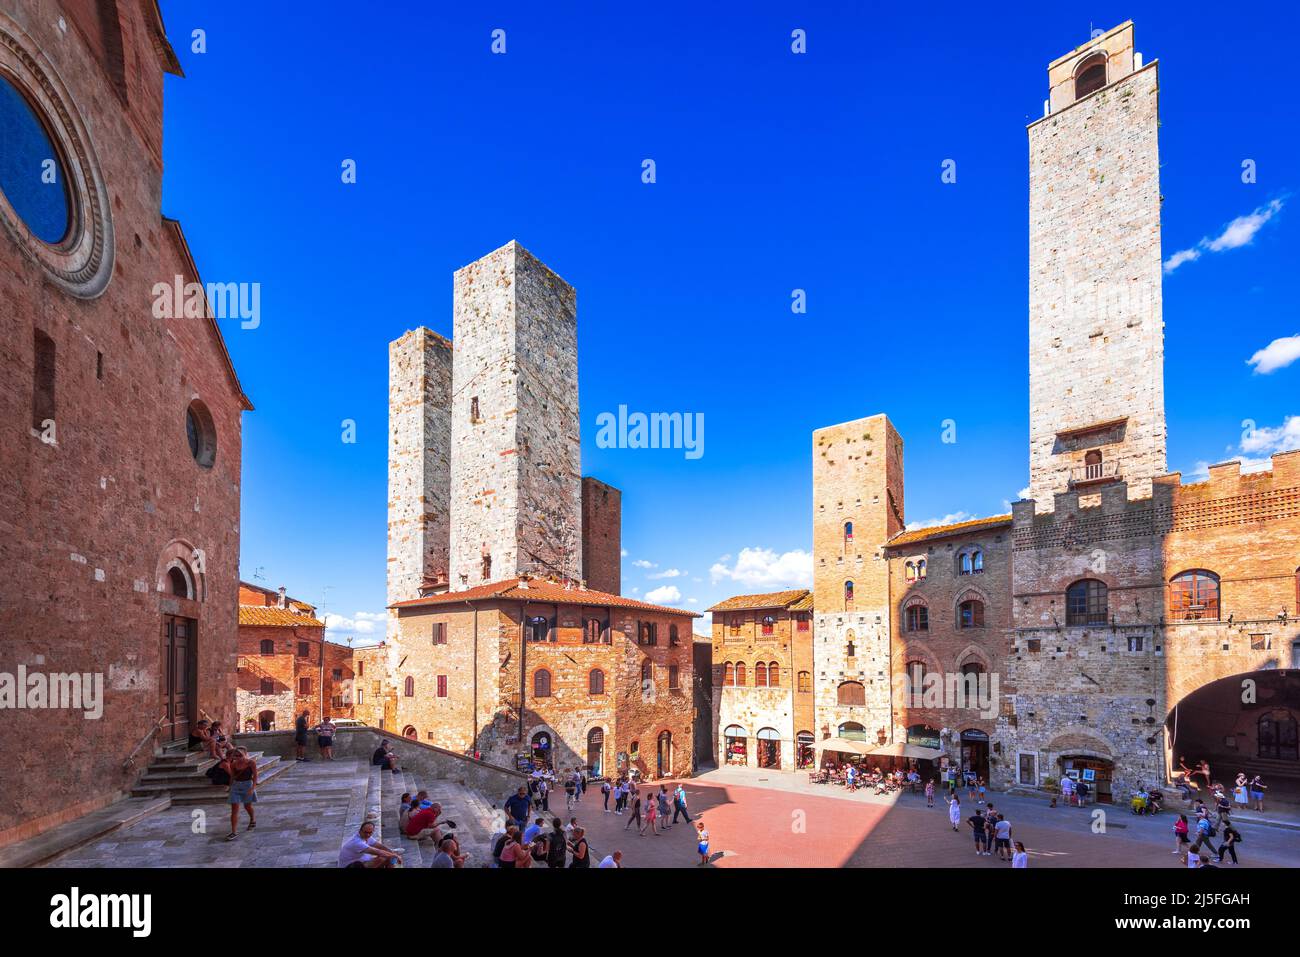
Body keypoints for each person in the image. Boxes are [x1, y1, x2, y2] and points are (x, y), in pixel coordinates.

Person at [226, 747, 258, 841]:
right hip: (236, 786)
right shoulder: (233, 764)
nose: (238, 757)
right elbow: (232, 776)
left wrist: (253, 788)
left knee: (247, 806)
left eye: (240, 755)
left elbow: (255, 775)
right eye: (236, 756)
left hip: (247, 785)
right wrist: (230, 787)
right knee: (234, 809)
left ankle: (252, 819)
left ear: (245, 754)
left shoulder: (251, 763)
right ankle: (234, 831)